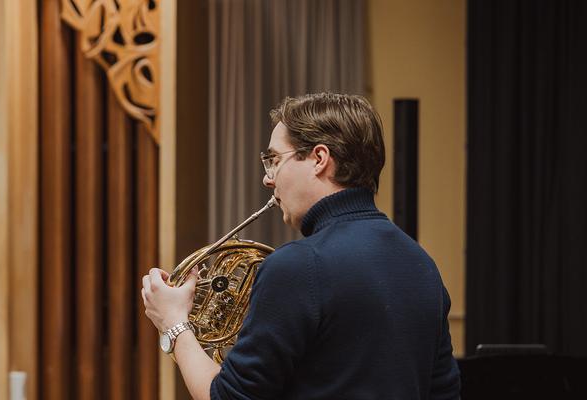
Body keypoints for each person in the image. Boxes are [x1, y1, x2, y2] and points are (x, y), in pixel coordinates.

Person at [141, 93, 460, 399]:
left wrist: (173, 323)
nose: (268, 179)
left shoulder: (299, 266)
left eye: (274, 160)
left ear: (319, 159)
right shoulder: (421, 264)